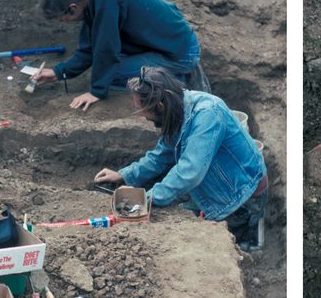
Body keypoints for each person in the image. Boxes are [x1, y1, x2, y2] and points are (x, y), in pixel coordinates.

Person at [93, 67, 266, 251]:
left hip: (239, 196)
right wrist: (124, 175)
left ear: (159, 106)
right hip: (215, 184)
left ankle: (252, 252)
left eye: (142, 110)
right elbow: (162, 154)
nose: (142, 116)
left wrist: (146, 199)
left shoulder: (207, 115)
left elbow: (189, 172)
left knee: (237, 248)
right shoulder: (177, 108)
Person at [35, 0, 210, 110]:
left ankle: (176, 83)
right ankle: (171, 74)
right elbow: (89, 49)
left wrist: (96, 92)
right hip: (169, 44)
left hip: (179, 53)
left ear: (73, 8)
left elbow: (106, 49)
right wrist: (58, 73)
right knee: (104, 71)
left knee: (114, 74)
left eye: (62, 19)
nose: (64, 22)